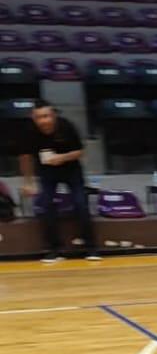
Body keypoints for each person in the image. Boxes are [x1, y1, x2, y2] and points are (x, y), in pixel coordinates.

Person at [19, 103, 98, 264]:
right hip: (47, 171)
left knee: (80, 203)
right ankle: (53, 249)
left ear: (53, 116)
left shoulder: (66, 126)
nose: (43, 121)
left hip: (71, 169)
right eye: (38, 117)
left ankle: (91, 247)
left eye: (46, 116)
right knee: (46, 204)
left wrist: (61, 158)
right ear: (33, 118)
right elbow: (25, 157)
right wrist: (28, 182)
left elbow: (80, 152)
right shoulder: (29, 131)